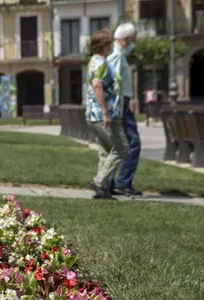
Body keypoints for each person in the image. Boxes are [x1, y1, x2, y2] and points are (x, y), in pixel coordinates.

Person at [85, 29, 127, 199]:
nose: (111, 47)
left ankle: (102, 190)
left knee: (105, 150)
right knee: (121, 148)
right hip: (102, 114)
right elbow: (97, 85)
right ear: (104, 46)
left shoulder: (94, 61)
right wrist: (105, 112)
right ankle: (99, 181)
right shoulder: (100, 63)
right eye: (109, 44)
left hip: (94, 114)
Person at [107, 22, 142, 196]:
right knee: (133, 143)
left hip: (122, 104)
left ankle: (111, 183)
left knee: (120, 144)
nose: (134, 43)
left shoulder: (120, 55)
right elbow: (112, 83)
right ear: (126, 39)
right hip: (121, 106)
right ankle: (122, 183)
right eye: (133, 39)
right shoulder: (117, 56)